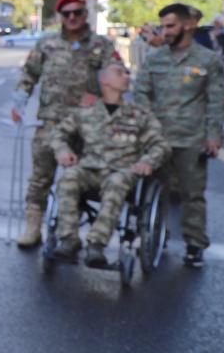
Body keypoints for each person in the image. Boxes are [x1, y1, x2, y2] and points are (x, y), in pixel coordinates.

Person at [10, 0, 118, 248]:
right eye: (66, 13)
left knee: (77, 179)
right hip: (49, 122)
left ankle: (68, 231)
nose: (72, 18)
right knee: (40, 178)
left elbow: (115, 78)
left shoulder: (102, 45)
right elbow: (29, 74)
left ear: (85, 14)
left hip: (86, 127)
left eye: (77, 12)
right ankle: (33, 227)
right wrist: (19, 101)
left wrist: (101, 98)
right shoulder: (47, 44)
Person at [48, 62, 170, 266]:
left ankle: (96, 244)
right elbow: (57, 134)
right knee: (68, 178)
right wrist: (64, 151)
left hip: (122, 172)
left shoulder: (139, 115)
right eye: (119, 72)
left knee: (116, 183)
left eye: (127, 72)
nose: (126, 76)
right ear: (104, 80)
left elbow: (161, 145)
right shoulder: (85, 113)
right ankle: (69, 239)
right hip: (89, 169)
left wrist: (147, 162)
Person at [134, 3, 224, 268]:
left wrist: (213, 136)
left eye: (171, 26)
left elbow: (216, 101)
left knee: (192, 195)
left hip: (191, 140)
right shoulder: (155, 58)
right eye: (162, 26)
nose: (165, 31)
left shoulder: (207, 60)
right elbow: (141, 93)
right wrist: (144, 126)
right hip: (157, 140)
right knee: (155, 191)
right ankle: (155, 235)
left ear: (188, 25)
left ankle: (195, 244)